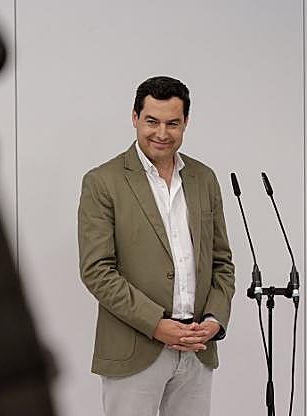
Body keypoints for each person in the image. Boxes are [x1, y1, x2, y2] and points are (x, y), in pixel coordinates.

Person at [77, 76, 235, 416]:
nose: (162, 133)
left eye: (172, 123)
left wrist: (214, 319)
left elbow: (222, 262)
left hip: (197, 348)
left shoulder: (204, 178)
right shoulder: (103, 181)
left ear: (185, 122)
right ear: (135, 117)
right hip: (135, 348)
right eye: (152, 121)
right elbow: (97, 271)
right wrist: (156, 324)